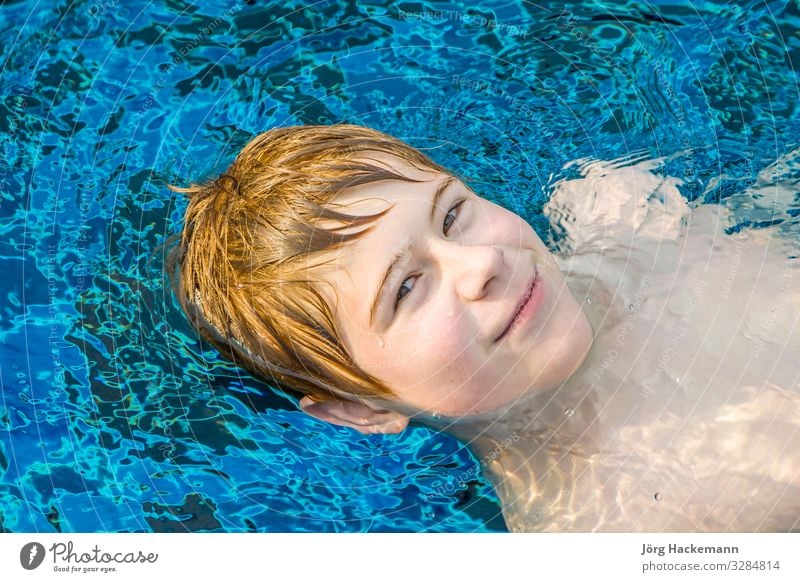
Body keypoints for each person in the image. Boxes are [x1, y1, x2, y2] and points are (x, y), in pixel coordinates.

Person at [167, 124, 800, 532]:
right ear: (357, 410)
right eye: (407, 288)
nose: (482, 263)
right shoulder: (624, 529)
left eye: (454, 214)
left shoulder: (624, 209)